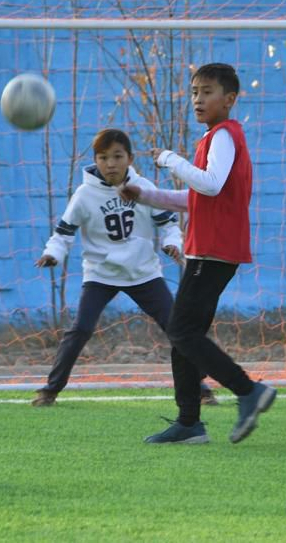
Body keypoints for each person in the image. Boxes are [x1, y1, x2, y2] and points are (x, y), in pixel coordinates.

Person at [122, 62, 276, 445]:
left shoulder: (224, 135)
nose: (198, 99)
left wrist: (170, 159)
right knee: (183, 333)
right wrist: (145, 194)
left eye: (207, 92)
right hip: (209, 249)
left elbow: (208, 184)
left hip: (214, 250)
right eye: (194, 92)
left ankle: (247, 391)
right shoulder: (215, 138)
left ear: (230, 99)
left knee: (182, 331)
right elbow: (195, 198)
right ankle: (189, 422)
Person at [32, 128, 217, 407]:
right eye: (103, 157)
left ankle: (200, 387)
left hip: (144, 273)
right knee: (81, 328)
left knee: (177, 327)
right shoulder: (84, 195)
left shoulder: (143, 188)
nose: (111, 164)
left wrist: (172, 243)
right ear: (95, 160)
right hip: (100, 274)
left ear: (129, 158)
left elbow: (167, 222)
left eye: (117, 156)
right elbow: (64, 233)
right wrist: (52, 254)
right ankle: (50, 390)